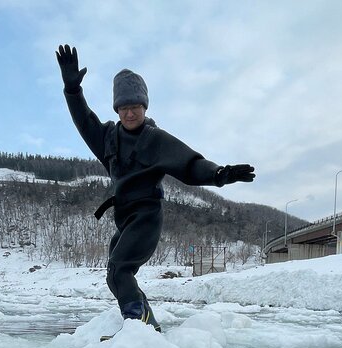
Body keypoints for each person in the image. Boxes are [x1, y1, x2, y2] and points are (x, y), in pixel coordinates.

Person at [56, 44, 255, 332]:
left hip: (146, 215)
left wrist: (220, 174)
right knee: (114, 274)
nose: (129, 113)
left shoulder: (155, 139)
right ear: (117, 109)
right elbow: (83, 121)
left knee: (121, 269)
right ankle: (145, 327)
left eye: (134, 107)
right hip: (123, 217)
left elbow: (189, 164)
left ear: (144, 107)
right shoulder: (108, 138)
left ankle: (140, 328)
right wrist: (72, 90)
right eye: (123, 108)